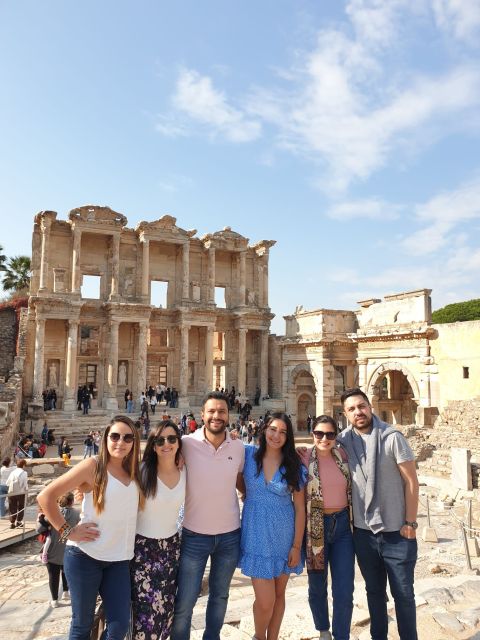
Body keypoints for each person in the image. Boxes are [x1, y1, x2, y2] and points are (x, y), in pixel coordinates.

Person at [37, 415, 145, 640]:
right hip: (85, 556)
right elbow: (46, 496)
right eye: (114, 436)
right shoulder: (93, 466)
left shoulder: (136, 470)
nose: (120, 442)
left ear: (134, 441)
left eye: (127, 437)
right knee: (82, 625)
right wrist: (68, 531)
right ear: (105, 438)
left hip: (119, 560)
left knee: (119, 626)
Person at [337, 388, 419, 640]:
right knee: (374, 592)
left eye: (361, 406)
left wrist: (410, 523)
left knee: (403, 594)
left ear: (369, 406)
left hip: (397, 531)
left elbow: (411, 481)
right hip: (365, 534)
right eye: (351, 409)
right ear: (345, 414)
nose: (358, 412)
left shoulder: (392, 437)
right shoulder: (342, 441)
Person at [171, 391, 245, 640]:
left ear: (228, 415)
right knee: (185, 599)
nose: (216, 416)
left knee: (220, 595)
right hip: (194, 535)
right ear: (202, 415)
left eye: (221, 411)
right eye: (211, 412)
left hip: (230, 535)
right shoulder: (185, 444)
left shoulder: (238, 446)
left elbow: (241, 480)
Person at [238, 413, 306, 640]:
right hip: (256, 535)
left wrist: (296, 546)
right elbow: (233, 474)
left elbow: (299, 509)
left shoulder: (294, 464)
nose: (277, 435)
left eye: (283, 432)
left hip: (283, 537)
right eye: (273, 429)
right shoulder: (247, 455)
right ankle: (259, 636)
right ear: (264, 429)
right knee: (266, 600)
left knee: (279, 595)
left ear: (288, 437)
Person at [298, 415, 354, 640]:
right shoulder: (302, 457)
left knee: (344, 589)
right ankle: (323, 629)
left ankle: (342, 636)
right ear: (313, 435)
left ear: (336, 436)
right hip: (315, 526)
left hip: (342, 526)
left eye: (330, 434)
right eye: (319, 434)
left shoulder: (343, 456)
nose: (324, 438)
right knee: (317, 586)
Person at [131, 420, 186, 639]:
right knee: (144, 616)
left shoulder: (186, 471)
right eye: (160, 440)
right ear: (153, 445)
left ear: (178, 443)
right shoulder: (142, 472)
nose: (166, 444)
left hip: (171, 549)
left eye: (172, 439)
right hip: (142, 551)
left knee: (165, 613)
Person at [37, 492, 81, 607]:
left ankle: (54, 600)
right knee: (66, 571)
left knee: (53, 575)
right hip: (68, 548)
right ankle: (66, 592)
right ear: (72, 501)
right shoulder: (77, 514)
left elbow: (39, 529)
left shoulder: (52, 514)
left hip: (52, 550)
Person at [7, 458, 28, 528]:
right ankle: (19, 522)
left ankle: (12, 523)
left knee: (12, 507)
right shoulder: (24, 473)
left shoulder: (12, 472)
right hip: (20, 492)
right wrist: (27, 491)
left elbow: (7, 483)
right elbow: (25, 484)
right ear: (24, 465)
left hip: (11, 492)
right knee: (21, 507)